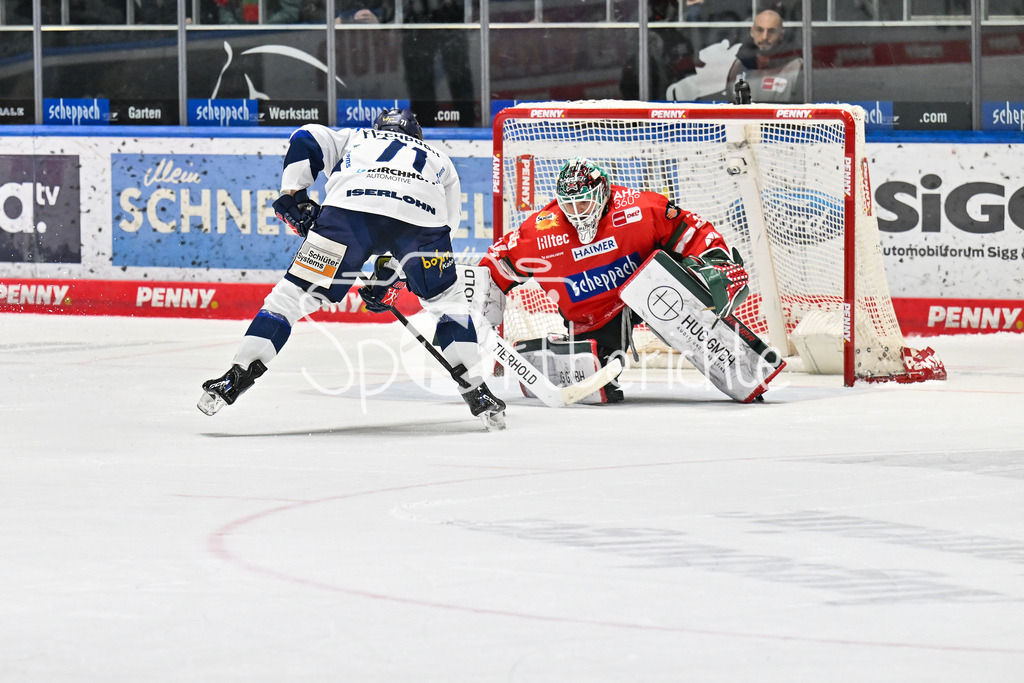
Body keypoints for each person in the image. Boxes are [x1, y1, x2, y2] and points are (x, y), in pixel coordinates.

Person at [198, 108, 506, 428]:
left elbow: (307, 136)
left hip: (349, 213)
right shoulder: (439, 158)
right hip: (421, 222)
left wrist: (294, 195)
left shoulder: (357, 137)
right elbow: (444, 227)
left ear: (379, 128)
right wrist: (393, 277)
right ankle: (478, 391)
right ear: (417, 137)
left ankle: (235, 377)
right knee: (447, 303)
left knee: (288, 300)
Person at [479, 157, 750, 402]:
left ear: (603, 192)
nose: (577, 212)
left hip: (653, 285)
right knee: (595, 376)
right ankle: (561, 351)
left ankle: (734, 358)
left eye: (584, 201)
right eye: (569, 204)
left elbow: (689, 229)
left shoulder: (639, 209)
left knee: (687, 300)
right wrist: (474, 313)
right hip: (595, 312)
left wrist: (717, 262)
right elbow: (493, 268)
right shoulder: (541, 232)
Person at [726, 8, 803, 103]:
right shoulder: (739, 64)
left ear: (781, 34)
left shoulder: (796, 66)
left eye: (771, 31)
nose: (765, 37)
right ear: (752, 31)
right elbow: (730, 105)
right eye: (760, 30)